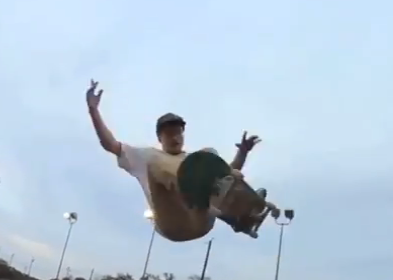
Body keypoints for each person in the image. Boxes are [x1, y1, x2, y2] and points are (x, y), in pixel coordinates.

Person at [86, 79, 262, 242]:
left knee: (209, 154)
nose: (175, 138)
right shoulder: (145, 155)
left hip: (201, 221)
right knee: (155, 165)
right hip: (173, 222)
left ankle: (244, 214)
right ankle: (222, 208)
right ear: (159, 137)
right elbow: (110, 144)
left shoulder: (195, 163)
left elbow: (226, 175)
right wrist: (94, 110)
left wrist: (242, 153)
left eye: (178, 133)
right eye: (170, 134)